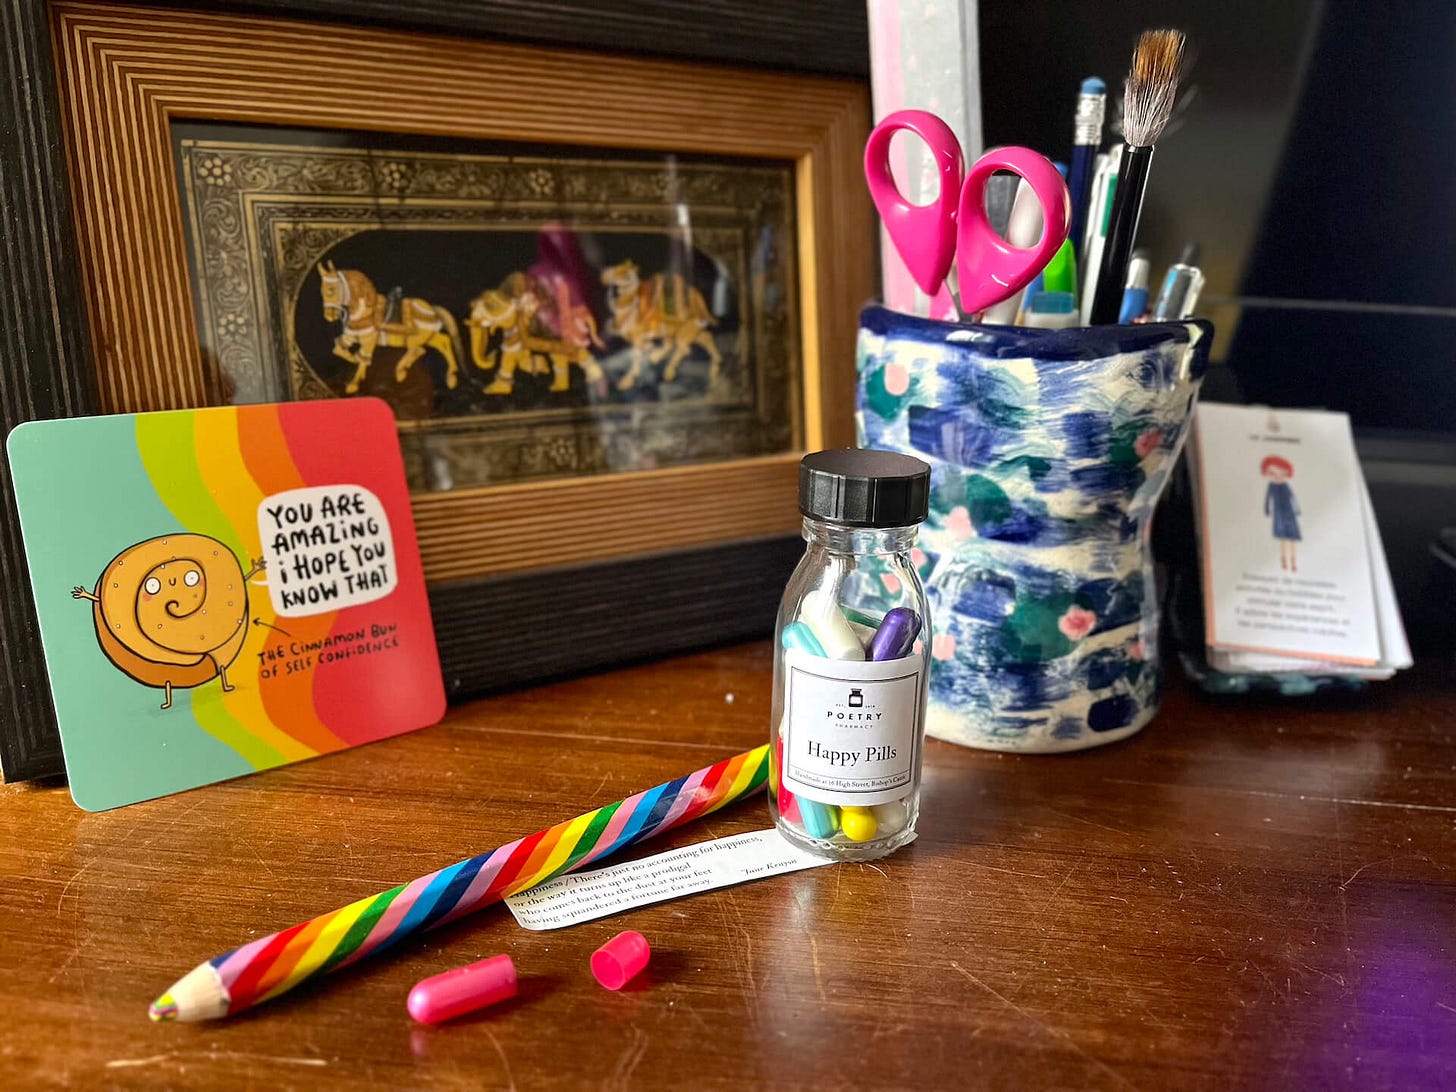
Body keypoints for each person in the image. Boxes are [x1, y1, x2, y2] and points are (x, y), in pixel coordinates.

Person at [1261, 455, 1301, 571]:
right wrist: (1267, 509)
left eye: (1282, 474)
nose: (1278, 477)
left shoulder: (1285, 485)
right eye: (1273, 473)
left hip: (1289, 513)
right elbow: (1268, 498)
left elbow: (1293, 497)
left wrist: (1297, 509)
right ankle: (1284, 561)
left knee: (1292, 538)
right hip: (1279, 514)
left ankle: (1293, 562)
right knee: (1282, 538)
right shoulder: (1271, 486)